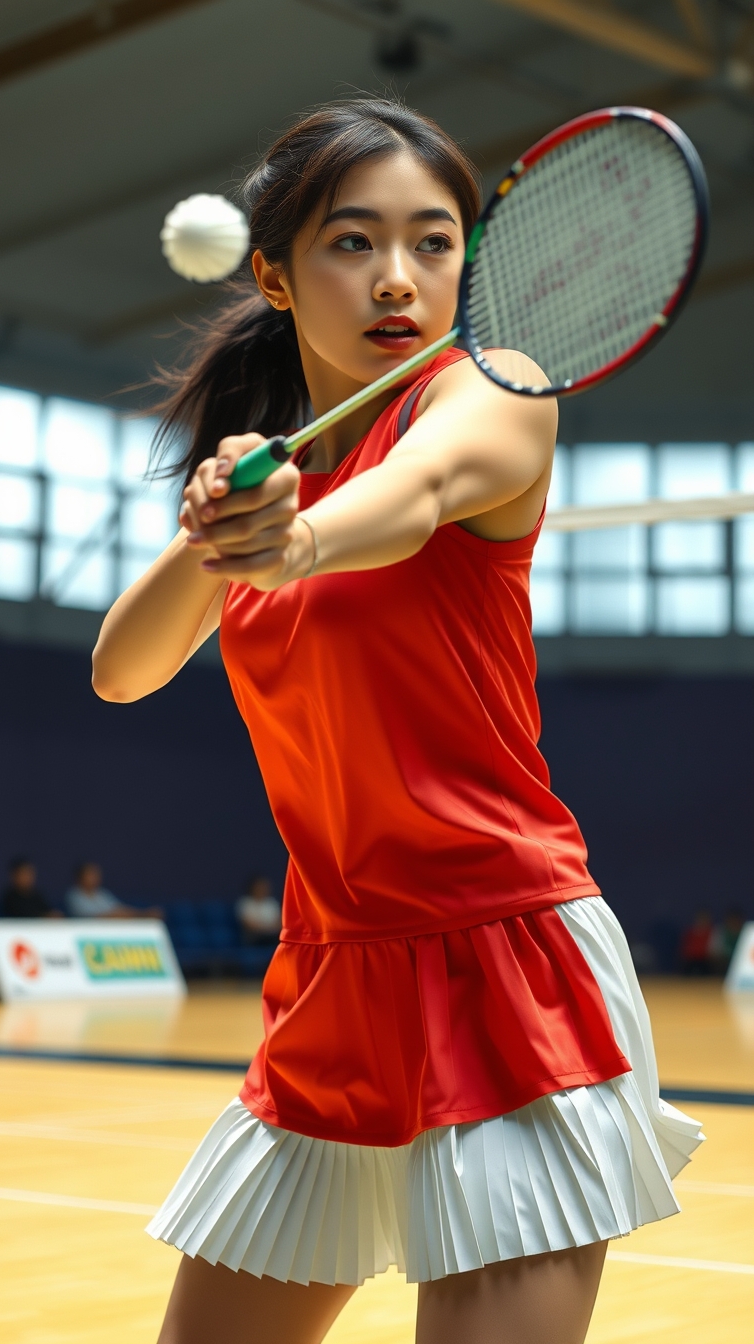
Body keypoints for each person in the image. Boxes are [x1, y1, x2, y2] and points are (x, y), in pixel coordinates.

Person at [92, 98, 703, 1344]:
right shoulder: (270, 472)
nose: (398, 279)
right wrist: (221, 528)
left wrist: (300, 538)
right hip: (332, 979)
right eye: (351, 242)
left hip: (504, 966)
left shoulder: (498, 392)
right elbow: (121, 669)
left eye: (434, 243)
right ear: (273, 273)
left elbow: (419, 495)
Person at [65, 861, 162, 920]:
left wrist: (143, 914)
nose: (95, 878)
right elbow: (89, 918)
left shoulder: (102, 893)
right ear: (80, 877)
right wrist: (114, 916)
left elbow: (119, 909)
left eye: (96, 874)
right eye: (90, 875)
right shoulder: (74, 895)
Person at [235, 875, 281, 944]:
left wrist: (270, 930)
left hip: (273, 937)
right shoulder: (245, 903)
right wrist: (267, 929)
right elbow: (249, 925)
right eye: (259, 886)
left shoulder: (272, 903)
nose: (262, 889)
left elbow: (279, 923)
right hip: (254, 938)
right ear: (253, 887)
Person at [679, 908, 713, 975]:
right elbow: (684, 950)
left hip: (705, 961)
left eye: (704, 919)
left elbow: (713, 951)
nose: (702, 921)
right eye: (700, 918)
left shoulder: (711, 933)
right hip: (691, 961)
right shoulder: (690, 932)